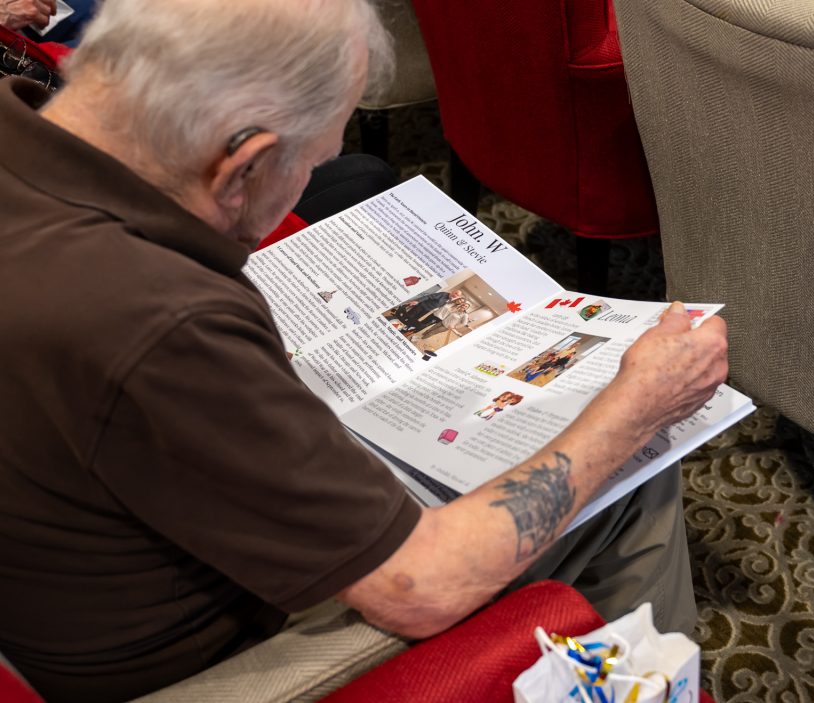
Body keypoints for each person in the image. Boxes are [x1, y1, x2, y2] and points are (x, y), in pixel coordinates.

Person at [0, 0, 728, 701]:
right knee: (627, 473)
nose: (305, 183)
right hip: (200, 663)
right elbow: (420, 587)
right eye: (309, 162)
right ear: (243, 164)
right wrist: (634, 408)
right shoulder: (160, 319)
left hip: (75, 576)